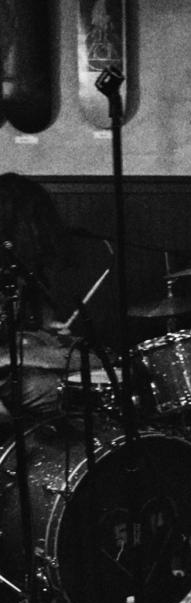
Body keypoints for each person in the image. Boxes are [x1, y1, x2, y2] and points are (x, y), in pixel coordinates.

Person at [0, 172, 82, 429]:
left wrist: (51, 332)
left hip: (15, 365)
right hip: (7, 377)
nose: (43, 231)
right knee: (64, 391)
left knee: (102, 368)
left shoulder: (24, 271)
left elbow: (39, 324)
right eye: (36, 221)